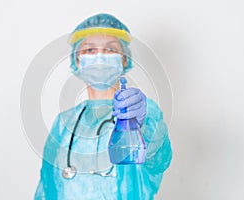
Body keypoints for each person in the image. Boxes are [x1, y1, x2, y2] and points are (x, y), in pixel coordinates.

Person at [34, 13, 172, 200]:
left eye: (110, 49)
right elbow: (47, 187)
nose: (99, 57)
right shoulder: (64, 123)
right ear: (77, 60)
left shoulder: (139, 112)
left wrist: (142, 127)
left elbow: (159, 161)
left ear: (124, 60)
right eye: (90, 50)